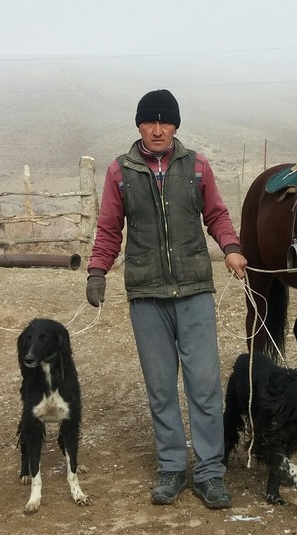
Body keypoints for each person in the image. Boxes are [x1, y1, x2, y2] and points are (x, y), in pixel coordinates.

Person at [86, 89, 247, 509]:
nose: (157, 130)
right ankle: (172, 468)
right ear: (139, 125)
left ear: (175, 125)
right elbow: (109, 228)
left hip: (194, 289)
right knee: (160, 387)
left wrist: (231, 248)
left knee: (204, 385)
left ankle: (210, 473)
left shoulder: (197, 166)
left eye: (165, 122)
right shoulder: (120, 172)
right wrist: (98, 270)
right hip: (147, 293)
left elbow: (216, 214)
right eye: (150, 122)